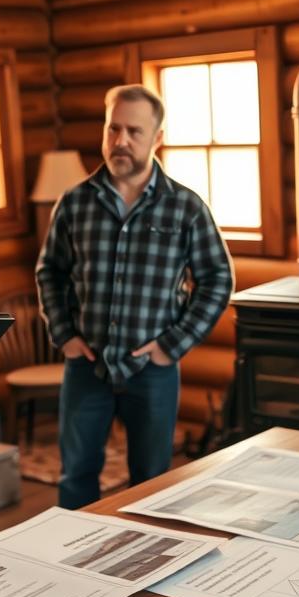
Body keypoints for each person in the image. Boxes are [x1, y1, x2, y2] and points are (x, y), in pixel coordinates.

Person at [36, 85, 233, 510]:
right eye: (114, 129)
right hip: (86, 367)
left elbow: (218, 279)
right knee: (76, 478)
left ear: (157, 138)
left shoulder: (185, 207)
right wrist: (64, 334)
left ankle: (147, 564)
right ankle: (72, 564)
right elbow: (49, 272)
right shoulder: (74, 204)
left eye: (134, 132)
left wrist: (171, 346)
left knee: (152, 483)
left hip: (152, 371)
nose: (121, 141)